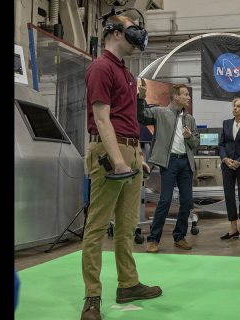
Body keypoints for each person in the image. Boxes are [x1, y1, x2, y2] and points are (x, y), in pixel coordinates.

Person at [82, 14, 161, 320]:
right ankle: (92, 296)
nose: (138, 35)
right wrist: (116, 159)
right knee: (97, 227)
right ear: (114, 33)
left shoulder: (126, 73)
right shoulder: (101, 67)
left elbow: (129, 120)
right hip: (108, 152)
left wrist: (136, 154)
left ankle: (128, 284)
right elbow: (102, 118)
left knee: (127, 226)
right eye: (132, 29)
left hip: (128, 151)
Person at [138, 84, 200, 253]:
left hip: (185, 163)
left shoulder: (190, 119)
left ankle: (179, 237)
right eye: (185, 94)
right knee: (165, 201)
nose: (188, 97)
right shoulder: (161, 112)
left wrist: (189, 138)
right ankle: (153, 239)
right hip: (170, 162)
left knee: (187, 202)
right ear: (175, 97)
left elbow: (196, 143)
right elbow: (141, 117)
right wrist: (140, 98)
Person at [219, 98, 240, 241]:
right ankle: (233, 228)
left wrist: (239, 161)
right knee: (229, 196)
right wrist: (225, 159)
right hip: (227, 165)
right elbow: (221, 144)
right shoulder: (226, 123)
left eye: (238, 107)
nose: (235, 108)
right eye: (234, 106)